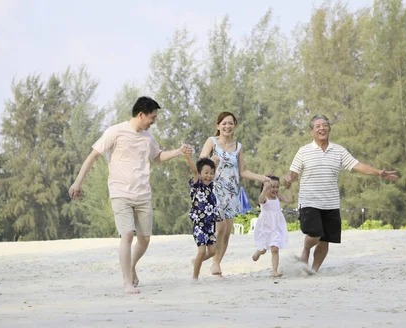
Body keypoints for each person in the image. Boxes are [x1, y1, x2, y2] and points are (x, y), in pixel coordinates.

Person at [68, 96, 191, 294]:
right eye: (152, 117)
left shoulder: (148, 136)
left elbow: (157, 156)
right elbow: (93, 156)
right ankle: (126, 282)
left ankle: (131, 266)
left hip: (143, 193)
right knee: (127, 235)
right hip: (120, 192)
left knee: (144, 240)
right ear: (141, 114)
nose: (153, 122)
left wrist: (178, 152)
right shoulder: (115, 132)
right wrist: (78, 181)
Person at [284, 114, 398, 273]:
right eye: (317, 126)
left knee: (325, 239)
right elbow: (293, 173)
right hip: (310, 201)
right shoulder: (303, 151)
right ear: (311, 132)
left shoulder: (338, 151)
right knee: (315, 234)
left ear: (329, 129)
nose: (322, 128)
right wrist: (289, 178)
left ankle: (314, 270)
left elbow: (358, 165)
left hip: (331, 202)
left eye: (324, 125)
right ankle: (305, 250)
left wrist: (379, 172)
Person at [199, 111, 270, 278]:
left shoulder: (238, 147)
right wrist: (211, 162)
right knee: (220, 227)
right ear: (218, 126)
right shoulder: (212, 142)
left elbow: (242, 171)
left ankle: (214, 263)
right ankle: (210, 260)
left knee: (227, 234)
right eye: (224, 123)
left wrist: (262, 178)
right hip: (214, 191)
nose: (227, 126)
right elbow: (201, 163)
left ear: (234, 126)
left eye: (231, 123)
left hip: (231, 194)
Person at [185, 152, 223, 281]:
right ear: (200, 173)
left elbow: (213, 170)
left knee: (212, 252)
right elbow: (193, 170)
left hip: (210, 224)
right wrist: (188, 156)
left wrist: (214, 164)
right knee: (201, 251)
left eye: (211, 173)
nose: (209, 175)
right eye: (206, 172)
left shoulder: (211, 186)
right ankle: (195, 277)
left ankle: (196, 261)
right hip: (199, 225)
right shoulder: (197, 184)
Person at [252, 176, 292, 278]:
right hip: (265, 226)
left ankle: (274, 271)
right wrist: (265, 189)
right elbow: (260, 200)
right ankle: (259, 251)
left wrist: (288, 188)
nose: (275, 189)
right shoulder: (265, 197)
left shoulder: (278, 197)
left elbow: (289, 199)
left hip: (276, 226)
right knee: (264, 249)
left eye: (277, 187)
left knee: (275, 248)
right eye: (272, 187)